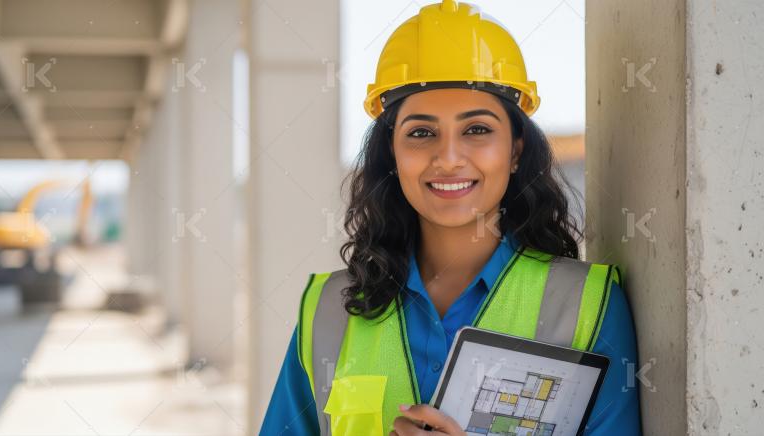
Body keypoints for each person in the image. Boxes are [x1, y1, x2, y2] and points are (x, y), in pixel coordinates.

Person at [261, 1, 641, 434]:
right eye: (421, 133)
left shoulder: (587, 306)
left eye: (477, 129)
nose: (448, 158)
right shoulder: (328, 311)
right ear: (392, 155)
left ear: (515, 151)